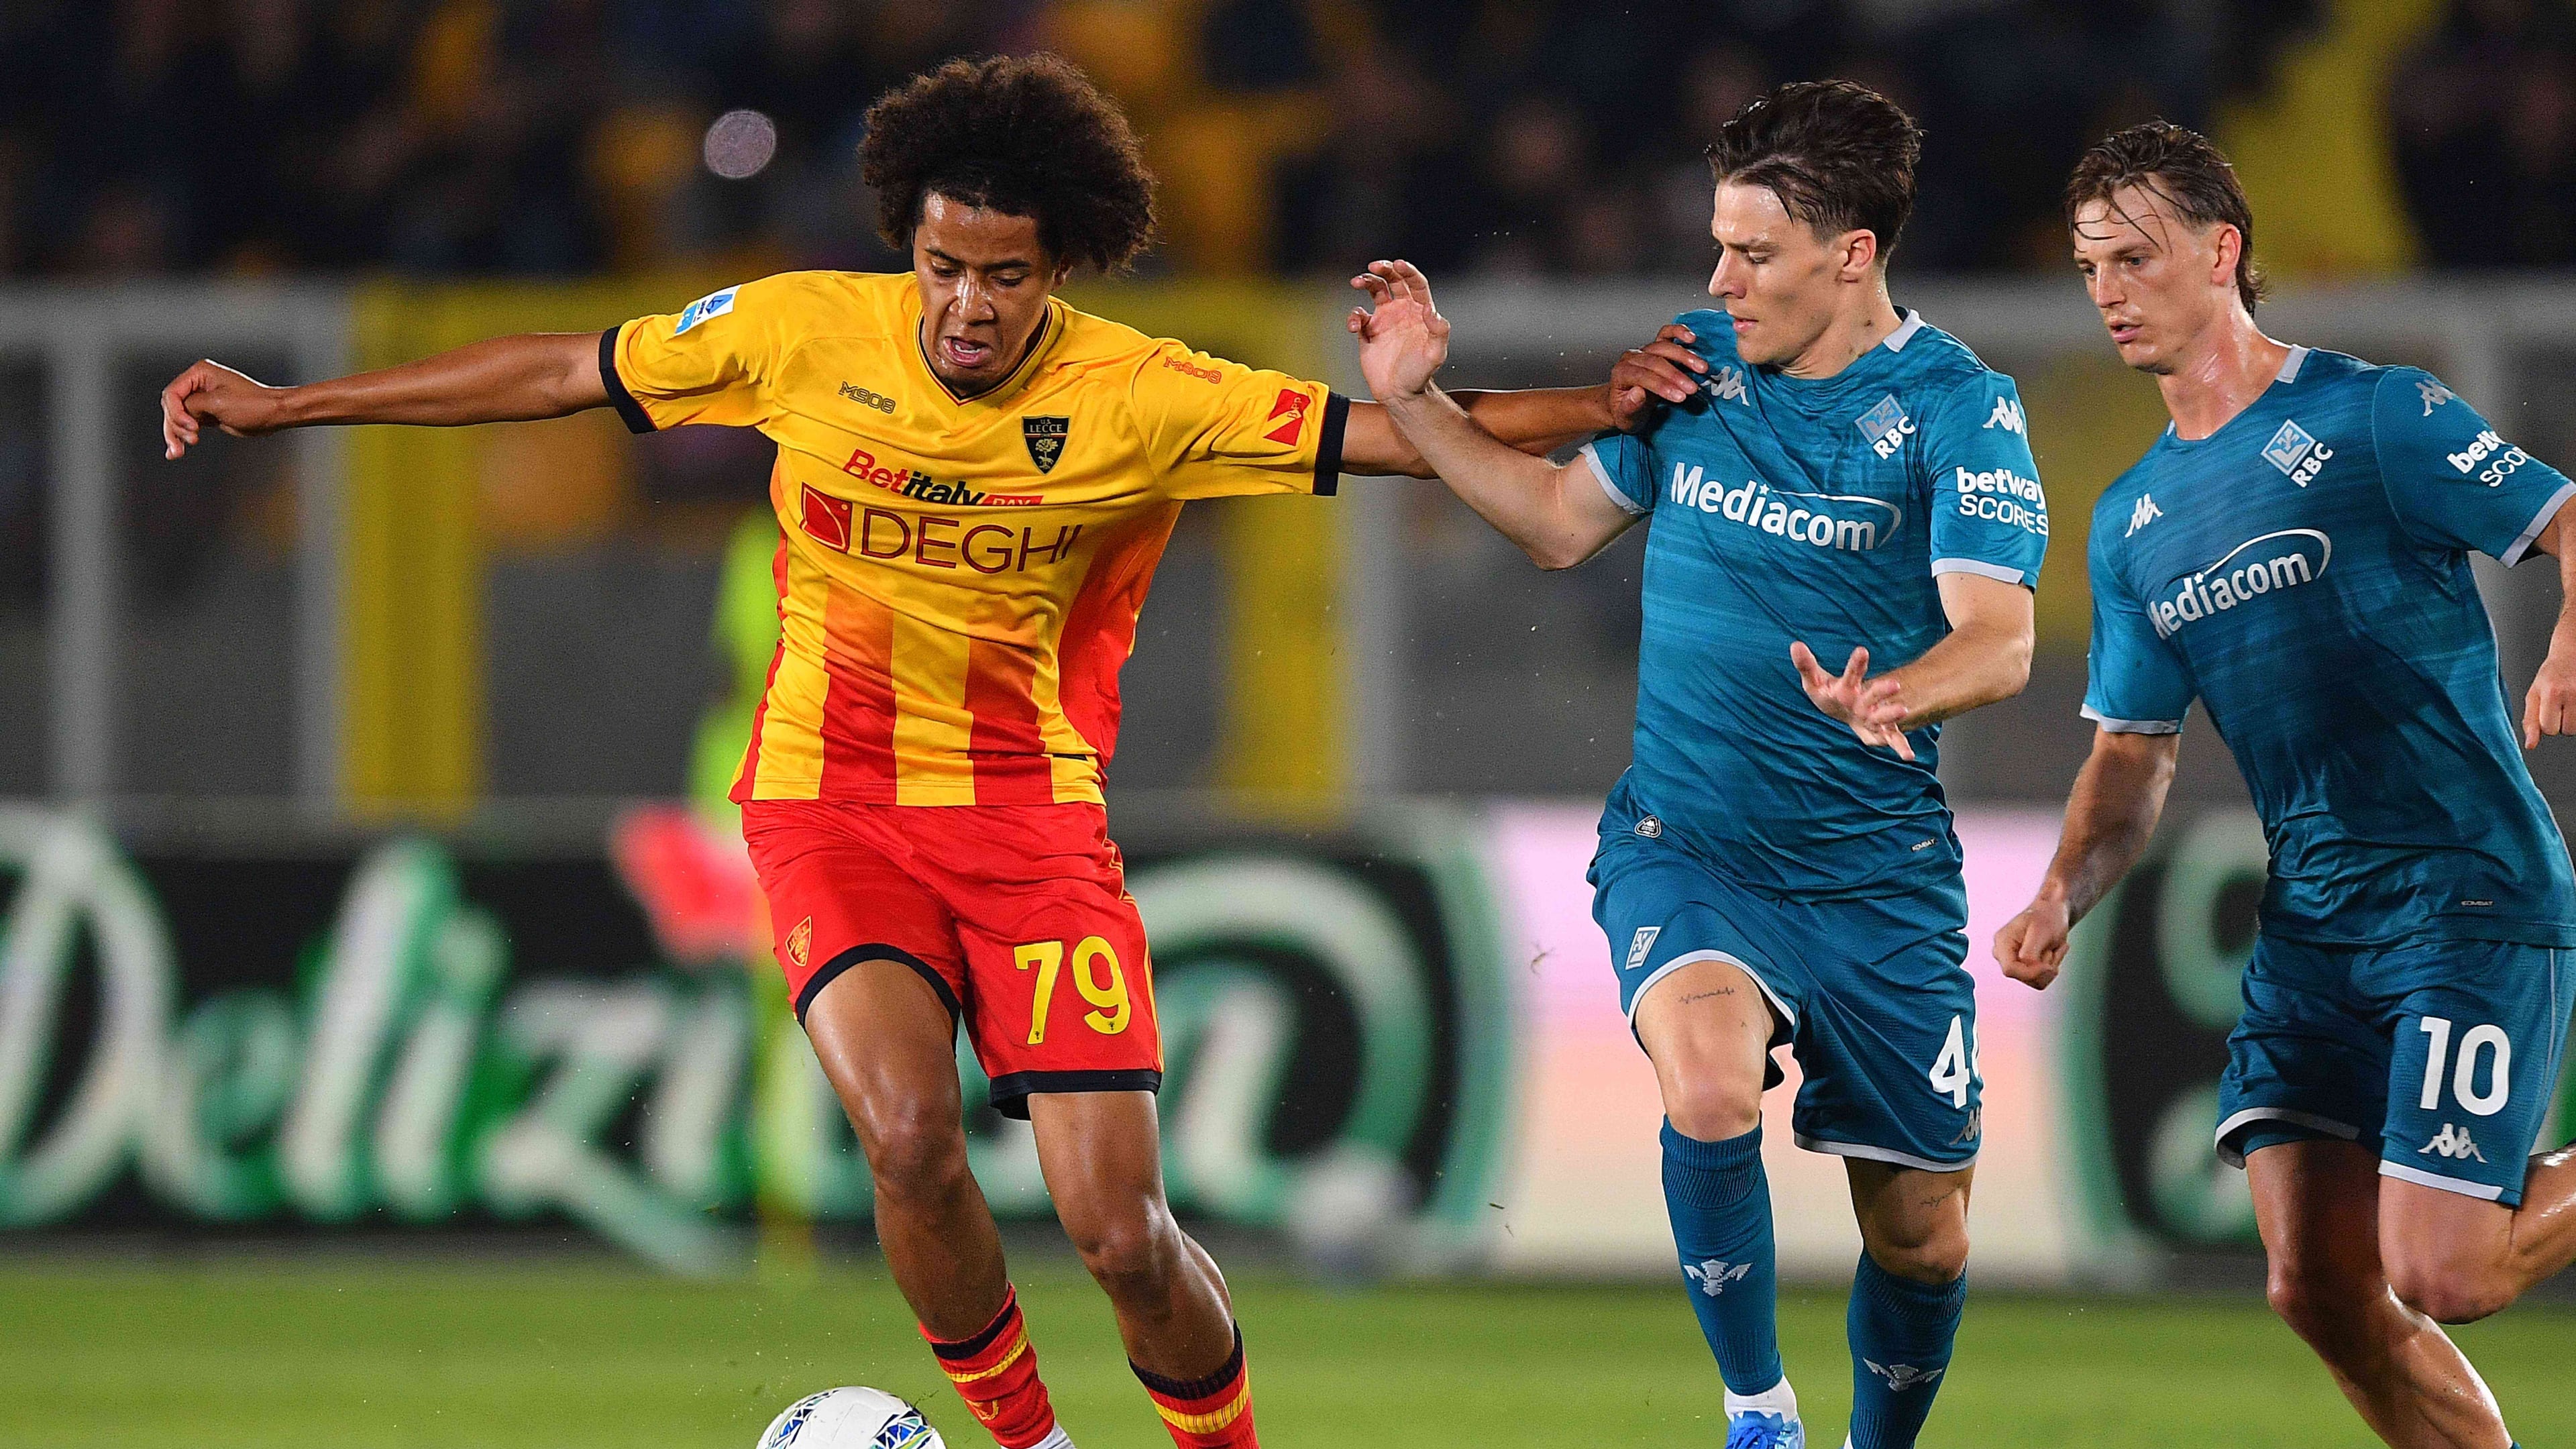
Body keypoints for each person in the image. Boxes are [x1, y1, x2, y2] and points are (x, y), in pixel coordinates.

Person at [157, 53, 1692, 1449]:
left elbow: (1396, 436)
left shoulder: (1142, 394)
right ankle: (1028, 1446)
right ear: (910, 244)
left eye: (1004, 277)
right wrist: (292, 407)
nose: (966, 305)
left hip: (1030, 827)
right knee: (904, 1140)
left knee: (1120, 1235)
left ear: (1058, 269)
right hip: (827, 804)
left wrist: (1599, 403)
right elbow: (563, 371)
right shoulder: (799, 332)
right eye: (943, 266)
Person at [1347, 80, 2047, 1449]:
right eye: (1718, 246)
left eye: (1753, 253)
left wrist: (1891, 694)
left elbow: (2002, 637)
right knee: (1712, 1086)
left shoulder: (1959, 410)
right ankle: (1758, 1414)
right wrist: (1414, 403)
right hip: (1689, 845)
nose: (1720, 278)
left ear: (1853, 254)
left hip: (1876, 880)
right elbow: (1559, 523)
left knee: (1923, 1241)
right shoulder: (1700, 366)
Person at [1998, 121, 2576, 1449]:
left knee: (2446, 1270)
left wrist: (2569, 640)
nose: (2109, 292)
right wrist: (2061, 894)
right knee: (2317, 1285)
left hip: (2464, 894)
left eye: (2136, 257)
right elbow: (2131, 756)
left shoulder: (2375, 415)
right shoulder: (2131, 521)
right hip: (2314, 930)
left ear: (2223, 251)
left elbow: (2568, 517)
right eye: (2090, 268)